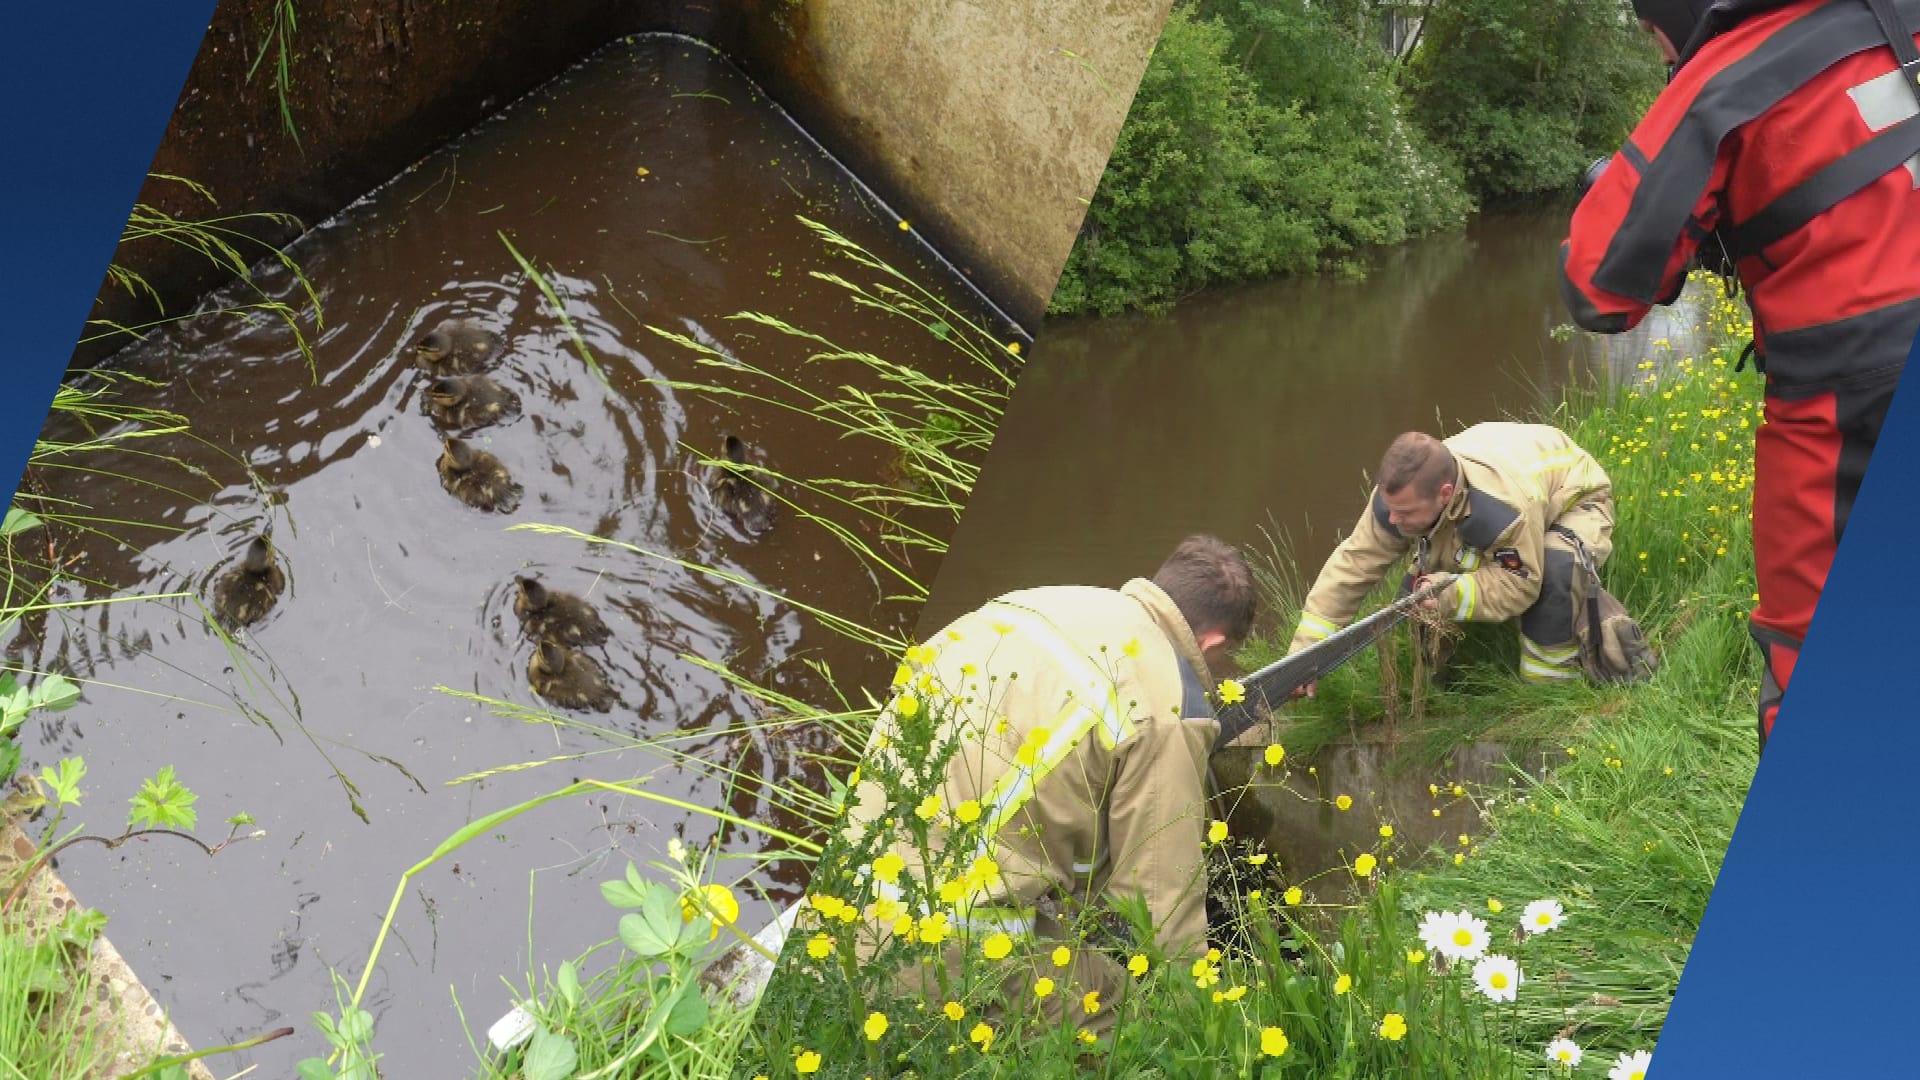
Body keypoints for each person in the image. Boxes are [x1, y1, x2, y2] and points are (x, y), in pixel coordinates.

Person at [1559, 0, 1920, 753]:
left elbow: (1598, 289)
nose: (1661, 54)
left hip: (1849, 400)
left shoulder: (1724, 78)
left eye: (1654, 34)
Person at [838, 535, 1256, 1036]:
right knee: (1135, 1026)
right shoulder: (1169, 703)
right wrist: (1201, 1021)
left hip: (842, 888)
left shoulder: (1039, 602)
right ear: (1212, 644)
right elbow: (1158, 908)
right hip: (936, 940)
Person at [1287, 424, 1620, 687]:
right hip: (1501, 482)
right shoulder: (1399, 497)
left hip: (1575, 499)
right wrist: (1306, 652)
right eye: (1390, 509)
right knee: (1417, 593)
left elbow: (1521, 583)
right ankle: (1440, 684)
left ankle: (1551, 687)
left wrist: (1454, 593)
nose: (1392, 521)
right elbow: (1352, 567)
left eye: (1404, 512)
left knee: (1555, 573)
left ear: (1444, 494)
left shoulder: (1507, 508)